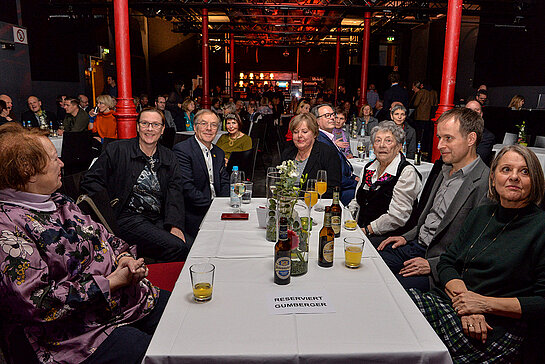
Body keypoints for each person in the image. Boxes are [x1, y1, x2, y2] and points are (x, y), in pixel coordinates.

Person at [0, 123, 167, 364]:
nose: (62, 163)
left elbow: (105, 236)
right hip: (77, 334)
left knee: (187, 318)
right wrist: (110, 283)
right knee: (157, 353)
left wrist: (124, 258)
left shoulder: (58, 200)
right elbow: (39, 302)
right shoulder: (8, 228)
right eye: (54, 159)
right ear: (29, 172)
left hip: (124, 301)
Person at [408, 145, 545, 363]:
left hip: (496, 326)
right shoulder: (481, 214)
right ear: (493, 178)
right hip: (456, 307)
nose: (514, 177)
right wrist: (467, 304)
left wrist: (483, 304)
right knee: (396, 308)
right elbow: (447, 263)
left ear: (535, 180)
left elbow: (541, 302)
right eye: (506, 169)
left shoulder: (540, 227)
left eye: (524, 172)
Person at [376, 108, 489, 291]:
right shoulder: (444, 169)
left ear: (471, 139)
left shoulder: (484, 183)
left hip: (440, 264)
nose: (439, 146)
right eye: (439, 138)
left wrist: (434, 265)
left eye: (448, 138)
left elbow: (477, 246)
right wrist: (407, 237)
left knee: (389, 289)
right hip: (415, 246)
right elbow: (429, 218)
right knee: (368, 265)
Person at [81, 108, 190, 262]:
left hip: (158, 218)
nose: (150, 129)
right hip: (128, 218)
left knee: (192, 247)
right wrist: (108, 209)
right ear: (137, 126)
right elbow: (90, 180)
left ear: (163, 129)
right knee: (176, 247)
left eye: (155, 124)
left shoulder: (168, 156)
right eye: (145, 123)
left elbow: (175, 192)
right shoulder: (118, 149)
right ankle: (152, 280)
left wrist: (175, 226)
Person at [349, 121, 422, 240]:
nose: (382, 145)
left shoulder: (406, 172)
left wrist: (367, 230)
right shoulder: (369, 168)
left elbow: (397, 217)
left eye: (388, 141)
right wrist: (348, 220)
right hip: (362, 231)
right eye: (378, 141)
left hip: (390, 237)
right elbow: (356, 201)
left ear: (399, 146)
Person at [173, 110, 229, 239]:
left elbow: (225, 182)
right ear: (195, 126)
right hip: (195, 213)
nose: (209, 128)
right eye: (204, 123)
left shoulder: (219, 153)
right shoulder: (182, 150)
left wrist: (224, 205)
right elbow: (187, 188)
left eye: (214, 125)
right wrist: (213, 207)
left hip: (218, 210)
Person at [281, 113, 341, 196]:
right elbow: (280, 183)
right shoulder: (288, 152)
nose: (299, 135)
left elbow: (334, 189)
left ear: (315, 134)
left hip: (315, 205)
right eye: (295, 132)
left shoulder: (327, 153)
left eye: (304, 132)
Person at [312, 103, 358, 205]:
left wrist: (353, 177)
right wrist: (356, 182)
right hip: (338, 191)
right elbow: (336, 176)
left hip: (344, 181)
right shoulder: (321, 141)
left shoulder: (328, 137)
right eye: (327, 115)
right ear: (317, 121)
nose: (332, 118)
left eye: (333, 114)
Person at [466, 100, 495, 165]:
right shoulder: (455, 132)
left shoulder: (487, 136)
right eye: (469, 110)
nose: (472, 112)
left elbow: (477, 160)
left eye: (476, 110)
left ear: (481, 114)